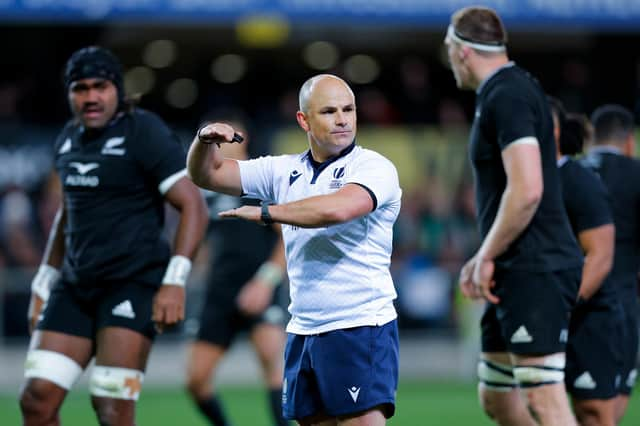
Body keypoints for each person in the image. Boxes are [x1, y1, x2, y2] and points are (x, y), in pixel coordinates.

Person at [187, 74, 402, 426]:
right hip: (303, 329)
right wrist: (202, 141)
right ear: (304, 120)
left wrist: (267, 211)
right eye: (329, 111)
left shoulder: (373, 167)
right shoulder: (283, 170)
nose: (343, 119)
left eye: (348, 109)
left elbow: (337, 209)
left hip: (360, 327)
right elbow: (206, 175)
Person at [19, 46, 208, 426]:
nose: (90, 97)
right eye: (80, 88)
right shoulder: (67, 139)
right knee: (36, 400)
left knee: (112, 408)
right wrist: (44, 281)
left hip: (131, 285)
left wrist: (174, 282)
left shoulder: (144, 131)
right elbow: (68, 215)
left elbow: (193, 206)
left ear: (117, 90)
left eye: (100, 86)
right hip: (74, 288)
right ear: (69, 94)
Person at [446, 7, 584, 426]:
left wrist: (484, 254)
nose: (448, 59)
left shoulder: (507, 94)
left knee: (543, 397)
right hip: (514, 266)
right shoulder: (507, 90)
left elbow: (528, 190)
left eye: (448, 50)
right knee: (498, 396)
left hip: (534, 264)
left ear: (463, 51)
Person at [185, 117, 289, 426]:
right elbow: (204, 242)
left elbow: (287, 240)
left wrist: (265, 282)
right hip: (219, 292)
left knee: (275, 365)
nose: (224, 147)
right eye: (218, 141)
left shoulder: (262, 185)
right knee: (196, 379)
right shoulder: (205, 192)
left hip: (258, 289)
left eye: (230, 140)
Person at [549, 98, 622, 426]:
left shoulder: (579, 181)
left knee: (592, 412)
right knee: (526, 405)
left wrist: (564, 303)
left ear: (551, 130)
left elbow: (601, 255)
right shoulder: (522, 183)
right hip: (539, 313)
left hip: (586, 315)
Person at [581, 104, 640, 424]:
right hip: (621, 303)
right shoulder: (635, 173)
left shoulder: (572, 172)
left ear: (591, 138)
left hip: (574, 302)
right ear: (629, 141)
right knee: (609, 409)